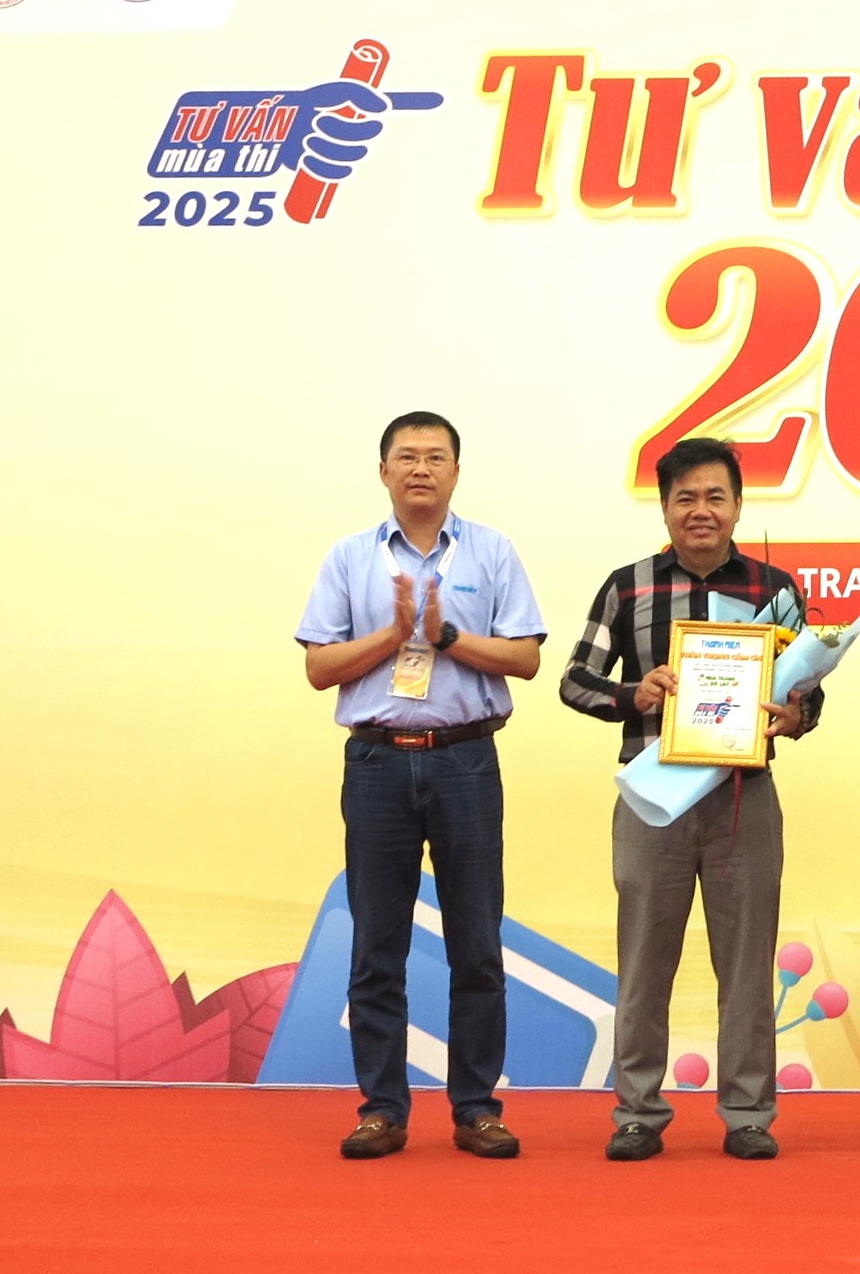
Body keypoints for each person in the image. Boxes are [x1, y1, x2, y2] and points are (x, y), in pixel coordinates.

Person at [559, 437, 819, 1163]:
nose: (700, 510)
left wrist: (795, 715)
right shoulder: (627, 586)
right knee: (645, 962)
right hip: (653, 798)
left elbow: (807, 692)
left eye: (714, 497)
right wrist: (633, 693)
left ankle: (748, 1113)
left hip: (744, 798)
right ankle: (637, 1111)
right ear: (665, 506)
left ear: (737, 504)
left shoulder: (775, 589)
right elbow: (574, 680)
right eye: (685, 498)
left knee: (747, 964)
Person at [296, 411, 546, 1161]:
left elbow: (527, 659)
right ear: (383, 471)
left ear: (456, 472)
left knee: (477, 944)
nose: (421, 469)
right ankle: (382, 1109)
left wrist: (446, 638)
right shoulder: (350, 557)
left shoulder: (493, 551)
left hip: (465, 761)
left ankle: (476, 1108)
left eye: (436, 457)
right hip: (377, 763)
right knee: (377, 945)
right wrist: (393, 634)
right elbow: (318, 668)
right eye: (406, 456)